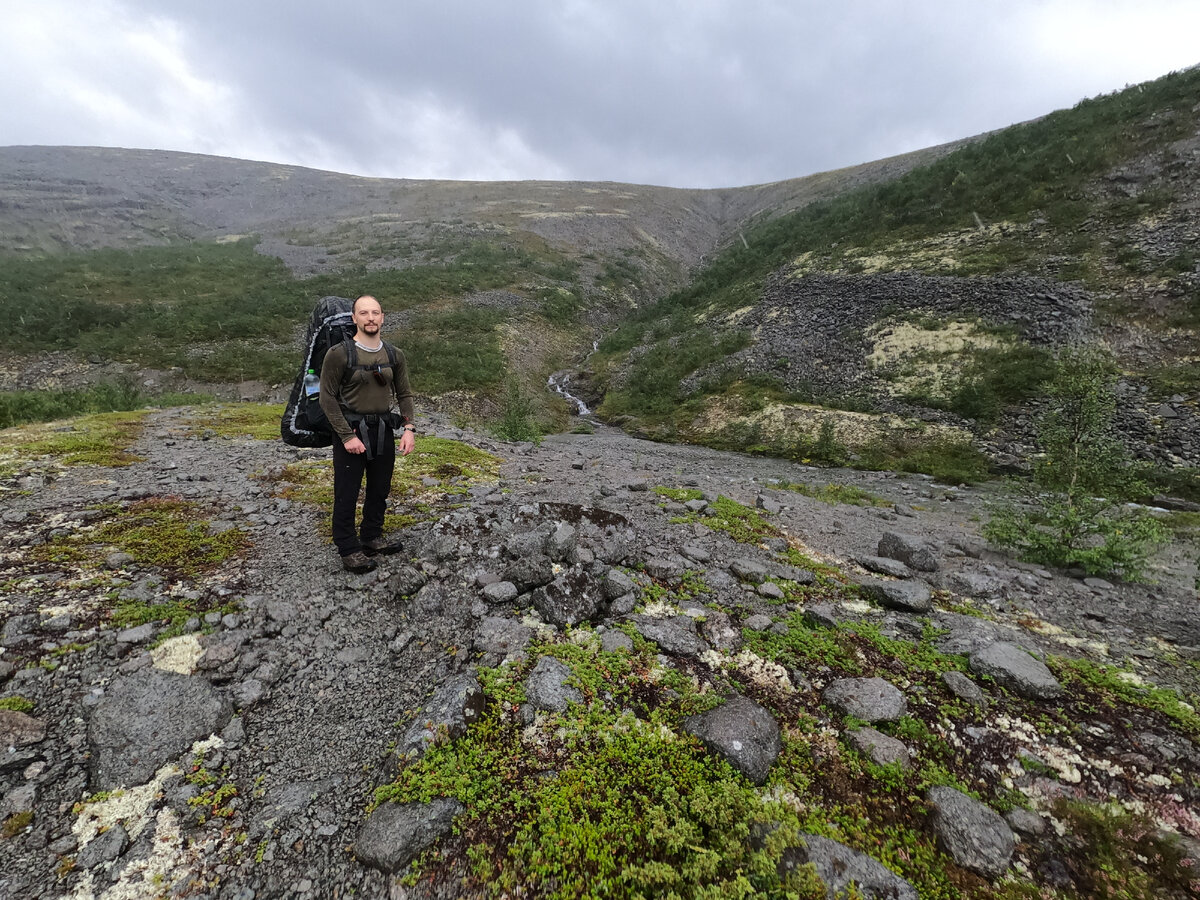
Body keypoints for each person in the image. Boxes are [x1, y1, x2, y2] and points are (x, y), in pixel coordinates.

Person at [318, 294, 416, 573]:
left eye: (375, 312)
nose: (370, 318)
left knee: (379, 489)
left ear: (382, 317)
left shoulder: (395, 355)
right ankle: (348, 548)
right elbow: (327, 398)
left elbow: (405, 394)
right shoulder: (339, 354)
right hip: (349, 430)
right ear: (354, 318)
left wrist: (408, 428)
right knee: (346, 492)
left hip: (383, 428)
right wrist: (347, 437)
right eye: (364, 313)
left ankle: (371, 536)